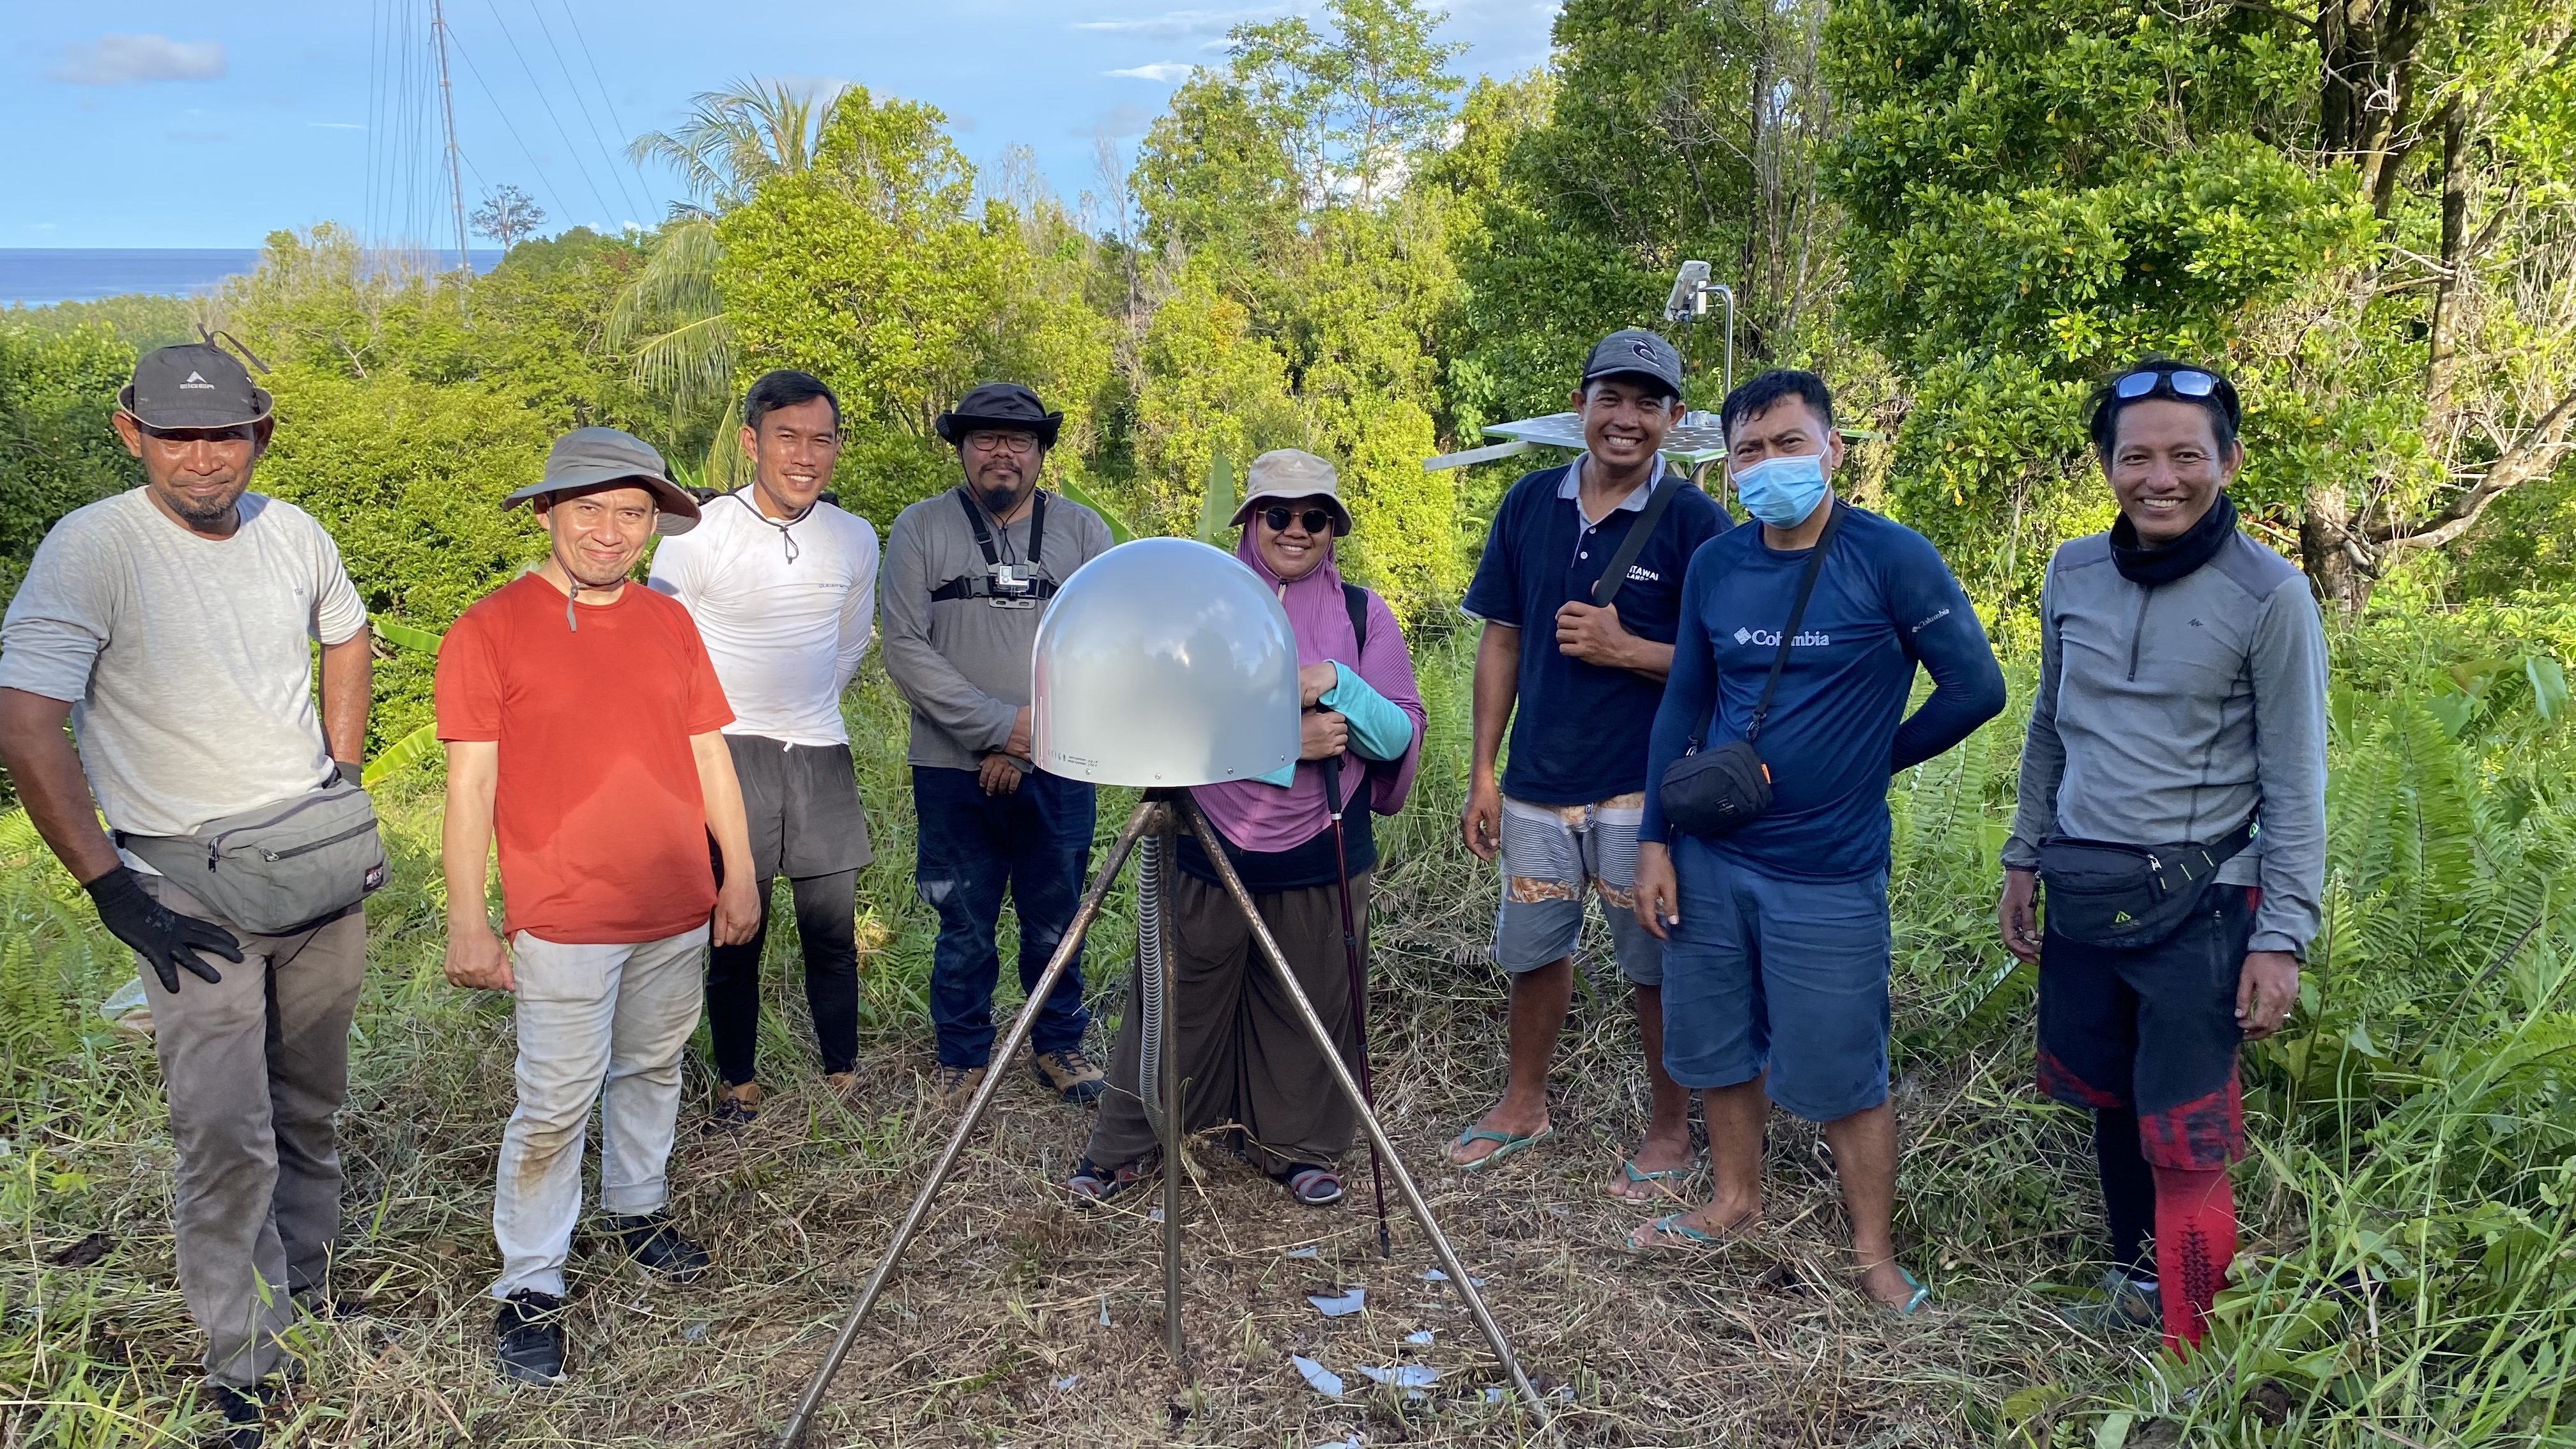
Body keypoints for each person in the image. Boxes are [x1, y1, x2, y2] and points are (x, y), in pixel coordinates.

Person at [0, 343, 377, 1446]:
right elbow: (27, 722)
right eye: (175, 434)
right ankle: (243, 1355)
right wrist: (114, 888)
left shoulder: (293, 530)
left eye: (223, 433)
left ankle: (307, 1291)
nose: (201, 456)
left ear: (260, 433)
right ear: (132, 434)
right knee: (224, 1125)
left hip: (311, 855)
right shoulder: (92, 549)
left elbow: (347, 633)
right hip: (183, 873)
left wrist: (342, 774)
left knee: (311, 1098)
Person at [1630, 369, 2005, 1314]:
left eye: (1789, 444)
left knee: (1845, 1065)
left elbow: (1976, 689)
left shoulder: (1891, 558)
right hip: (1712, 857)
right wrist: (1654, 840)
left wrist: (1871, 759)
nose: (1768, 465)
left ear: (1834, 450)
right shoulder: (1718, 565)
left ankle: (1873, 1254)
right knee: (1716, 1044)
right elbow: (1684, 700)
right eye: (1748, 451)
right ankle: (1733, 1200)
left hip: (1829, 872)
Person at [1997, 360, 2324, 1353]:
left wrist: (2284, 936)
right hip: (2087, 890)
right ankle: (2133, 1285)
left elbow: (2297, 781)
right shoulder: (2071, 572)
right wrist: (2024, 858)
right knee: (2111, 1103)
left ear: (2226, 460)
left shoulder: (2271, 595)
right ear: (2107, 466)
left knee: (2187, 1135)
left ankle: (2193, 1354)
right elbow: (2051, 728)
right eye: (2136, 456)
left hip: (2205, 905)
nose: (2161, 478)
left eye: (2187, 455)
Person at [434, 427, 762, 1385]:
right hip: (563, 912)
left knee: (655, 1065)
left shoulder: (669, 622)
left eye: (632, 514)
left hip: (673, 900)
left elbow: (708, 753)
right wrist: (468, 914)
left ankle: (635, 1209)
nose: (613, 533)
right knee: (553, 1105)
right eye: (592, 511)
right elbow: (469, 787)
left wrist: (736, 873)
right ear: (548, 512)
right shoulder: (488, 628)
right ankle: (530, 1285)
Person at [1065, 450, 1425, 1208]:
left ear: (1335, 528)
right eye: (1278, 514)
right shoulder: (1200, 611)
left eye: (1315, 517)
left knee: (1307, 1003)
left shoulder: (1365, 615)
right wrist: (1286, 740)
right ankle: (1135, 1143)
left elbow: (1395, 736)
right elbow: (1163, 720)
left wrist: (1335, 683)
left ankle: (1295, 1148)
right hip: (1206, 839)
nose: (1296, 530)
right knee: (1173, 997)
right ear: (1249, 520)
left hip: (1324, 844)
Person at [1450, 329, 1730, 1200]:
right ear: (1580, 405)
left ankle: (1670, 1130)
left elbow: (1720, 658)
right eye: (1612, 397)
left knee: (1655, 962)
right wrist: (1484, 772)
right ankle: (1523, 1102)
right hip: (1536, 782)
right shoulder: (1529, 504)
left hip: (1644, 788)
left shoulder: (1693, 521)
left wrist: (1627, 649)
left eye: (1649, 403)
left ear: (1674, 419)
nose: (1627, 418)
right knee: (1535, 952)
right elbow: (1503, 639)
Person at [648, 370, 880, 1128]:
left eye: (822, 439)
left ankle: (842, 1071)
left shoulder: (854, 536)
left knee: (832, 928)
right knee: (735, 924)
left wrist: (806, 708)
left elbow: (849, 643)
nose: (805, 455)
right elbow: (666, 650)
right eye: (788, 437)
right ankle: (737, 1081)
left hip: (819, 748)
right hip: (725, 749)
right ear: (753, 442)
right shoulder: (697, 532)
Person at [881, 383, 1117, 1108]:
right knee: (962, 918)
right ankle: (962, 1051)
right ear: (961, 448)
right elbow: (905, 648)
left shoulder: (1084, 533)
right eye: (984, 438)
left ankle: (1059, 1044)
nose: (1002, 452)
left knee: (1058, 912)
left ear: (1043, 452)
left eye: (1019, 439)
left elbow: (1104, 646)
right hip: (951, 767)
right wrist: (992, 728)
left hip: (1061, 762)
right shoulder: (919, 529)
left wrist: (1026, 742)